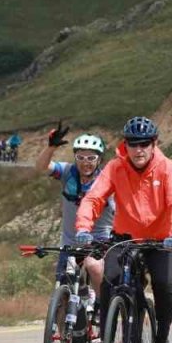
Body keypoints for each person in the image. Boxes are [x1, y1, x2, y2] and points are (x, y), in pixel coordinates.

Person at [74, 116, 172, 343]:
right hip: (126, 239)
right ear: (125, 145)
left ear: (154, 144)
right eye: (133, 144)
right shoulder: (116, 167)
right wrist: (83, 226)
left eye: (144, 144)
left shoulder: (167, 168)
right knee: (111, 282)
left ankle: (161, 341)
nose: (139, 149)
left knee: (163, 285)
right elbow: (94, 198)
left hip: (162, 241)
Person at [33, 122, 116, 303]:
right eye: (81, 157)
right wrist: (51, 148)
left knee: (94, 268)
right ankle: (63, 327)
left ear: (99, 160)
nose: (86, 162)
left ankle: (103, 308)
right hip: (70, 242)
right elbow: (41, 167)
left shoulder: (108, 180)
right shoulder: (67, 172)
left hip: (100, 240)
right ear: (75, 158)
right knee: (63, 290)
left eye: (91, 158)